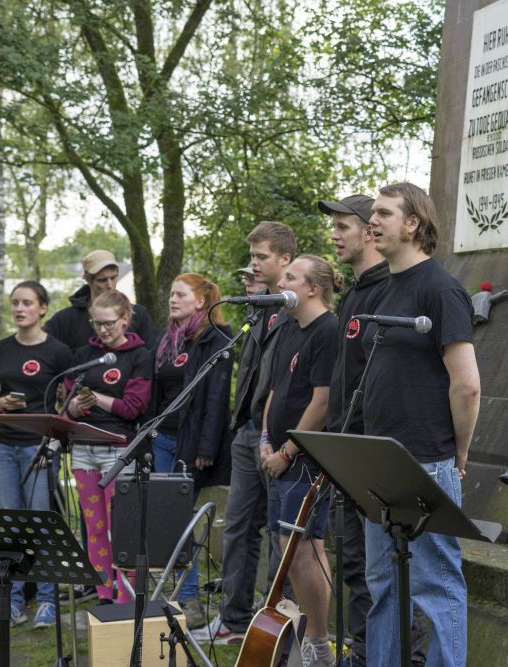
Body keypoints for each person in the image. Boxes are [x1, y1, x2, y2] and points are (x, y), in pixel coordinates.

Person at [362, 182, 480, 667]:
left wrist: (459, 453)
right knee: (384, 586)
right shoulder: (385, 287)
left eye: (384, 213)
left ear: (413, 224)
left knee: (437, 588)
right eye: (372, 213)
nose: (373, 221)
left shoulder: (441, 288)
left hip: (426, 461)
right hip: (376, 464)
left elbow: (467, 384)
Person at [320, 193, 428, 666]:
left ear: (369, 230)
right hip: (346, 451)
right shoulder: (357, 292)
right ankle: (366, 654)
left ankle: (399, 657)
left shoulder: (394, 289)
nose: (335, 234)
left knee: (383, 571)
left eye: (344, 225)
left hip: (375, 455)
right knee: (354, 566)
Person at [194, 221, 297, 643]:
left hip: (278, 438)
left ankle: (278, 622)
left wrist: (277, 438)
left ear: (285, 259)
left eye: (261, 258)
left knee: (280, 533)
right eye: (251, 257)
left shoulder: (295, 308)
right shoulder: (259, 308)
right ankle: (233, 620)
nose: (253, 265)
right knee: (237, 527)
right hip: (246, 432)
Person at [260, 255, 341, 666]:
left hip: (304, 461)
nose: (281, 281)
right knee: (287, 546)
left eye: (291, 276)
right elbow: (276, 389)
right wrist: (264, 439)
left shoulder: (329, 331)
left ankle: (318, 643)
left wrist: (288, 451)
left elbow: (323, 400)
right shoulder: (288, 326)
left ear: (313, 288)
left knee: (303, 549)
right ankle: (304, 638)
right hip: (275, 455)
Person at [0, 280, 73, 628]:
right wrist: (1, 403)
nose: (20, 309)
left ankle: (48, 602)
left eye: (27, 303)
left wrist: (56, 431)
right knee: (12, 525)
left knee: (40, 524)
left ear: (43, 308)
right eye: (15, 303)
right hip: (2, 445)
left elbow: (67, 402)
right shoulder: (0, 349)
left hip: (38, 448)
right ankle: (12, 603)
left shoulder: (59, 352)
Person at [150, 273, 234, 628]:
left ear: (201, 301)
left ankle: (190, 600)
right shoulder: (166, 340)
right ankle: (172, 593)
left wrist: (206, 446)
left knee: (183, 520)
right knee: (166, 520)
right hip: (162, 440)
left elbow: (216, 398)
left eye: (180, 294)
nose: (172, 299)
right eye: (171, 293)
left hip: (192, 443)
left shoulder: (218, 339)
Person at [64, 290, 152, 604]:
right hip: (84, 449)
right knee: (95, 528)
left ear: (125, 319)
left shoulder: (139, 356)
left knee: (122, 529)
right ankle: (103, 591)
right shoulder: (84, 355)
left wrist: (95, 398)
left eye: (109, 323)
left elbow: (133, 408)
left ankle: (125, 596)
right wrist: (74, 407)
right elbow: (68, 400)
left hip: (118, 451)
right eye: (96, 324)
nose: (102, 330)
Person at [46, 249, 157, 351]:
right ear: (88, 279)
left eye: (113, 278)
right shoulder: (65, 320)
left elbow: (151, 355)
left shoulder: (139, 314)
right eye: (102, 280)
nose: (110, 285)